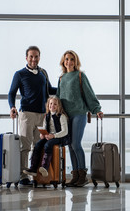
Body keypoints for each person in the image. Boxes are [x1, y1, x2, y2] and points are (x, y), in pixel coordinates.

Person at [8, 46, 57, 186]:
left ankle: (37, 176)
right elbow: (11, 93)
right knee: (25, 146)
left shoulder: (43, 73)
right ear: (26, 58)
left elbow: (50, 90)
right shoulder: (20, 74)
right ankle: (23, 176)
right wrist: (12, 107)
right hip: (27, 115)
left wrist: (63, 86)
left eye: (36, 56)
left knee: (38, 145)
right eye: (31, 56)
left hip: (42, 115)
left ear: (39, 57)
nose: (34, 59)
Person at [56, 50, 103, 187]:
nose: (69, 62)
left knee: (76, 144)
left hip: (79, 113)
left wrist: (97, 110)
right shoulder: (61, 78)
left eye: (71, 59)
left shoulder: (80, 75)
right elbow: (59, 97)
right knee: (70, 145)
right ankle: (75, 176)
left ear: (75, 62)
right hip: (66, 116)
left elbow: (89, 94)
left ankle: (83, 176)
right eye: (66, 59)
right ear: (63, 62)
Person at [23, 96, 69, 177]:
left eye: (55, 104)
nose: (52, 106)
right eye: (51, 104)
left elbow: (65, 131)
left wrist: (54, 136)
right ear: (48, 105)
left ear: (59, 106)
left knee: (48, 145)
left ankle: (45, 167)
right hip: (49, 136)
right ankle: (33, 168)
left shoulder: (62, 116)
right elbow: (44, 128)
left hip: (60, 137)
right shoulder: (47, 116)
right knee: (37, 145)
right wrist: (42, 134)